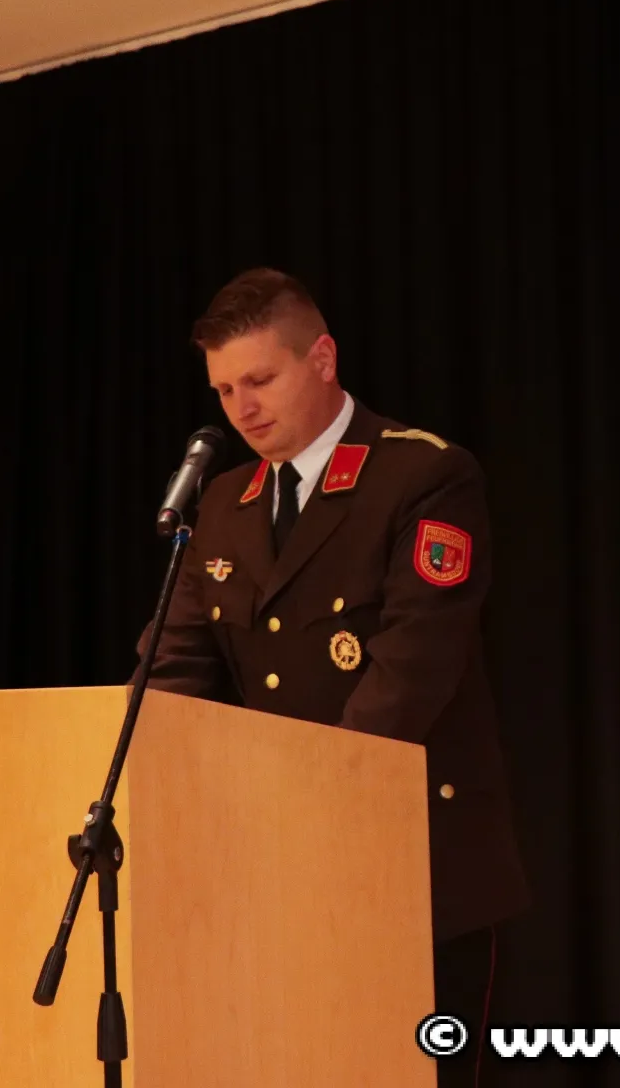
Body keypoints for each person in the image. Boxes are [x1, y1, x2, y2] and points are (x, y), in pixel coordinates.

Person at [141, 267, 528, 1085]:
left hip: (413, 861)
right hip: (272, 865)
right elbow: (173, 668)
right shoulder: (224, 503)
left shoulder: (421, 475)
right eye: (223, 390)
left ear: (322, 359)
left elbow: (411, 670)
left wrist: (308, 815)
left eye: (259, 380)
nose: (241, 408)